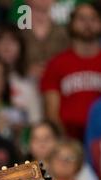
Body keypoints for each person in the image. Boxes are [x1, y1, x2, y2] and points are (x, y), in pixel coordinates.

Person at [41, 2, 101, 140]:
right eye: (82, 19)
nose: (88, 24)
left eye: (93, 19)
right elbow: (51, 112)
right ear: (71, 23)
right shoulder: (57, 64)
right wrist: (64, 143)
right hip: (67, 139)